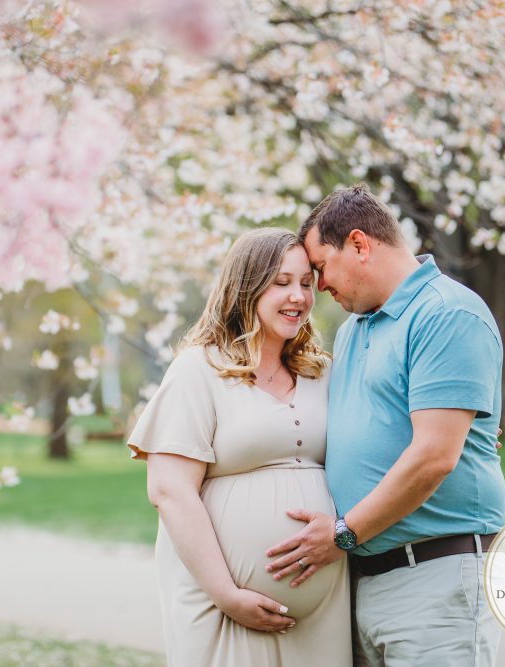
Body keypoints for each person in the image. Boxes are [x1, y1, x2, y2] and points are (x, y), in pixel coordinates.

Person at [264, 185, 505, 666]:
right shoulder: (355, 329)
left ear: (359, 244)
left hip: (435, 578)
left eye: (321, 267)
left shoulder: (446, 313)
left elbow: (436, 455)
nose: (318, 286)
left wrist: (343, 534)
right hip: (363, 582)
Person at [128, 228, 352, 666]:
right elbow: (170, 491)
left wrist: (460, 435)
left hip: (323, 613)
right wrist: (227, 594)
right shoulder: (200, 369)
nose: (299, 297)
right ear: (246, 287)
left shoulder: (322, 373)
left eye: (307, 283)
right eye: (281, 282)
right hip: (221, 610)